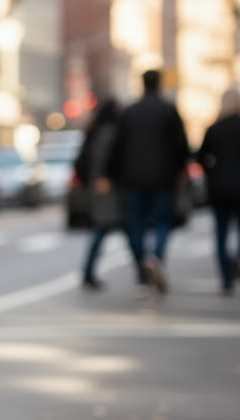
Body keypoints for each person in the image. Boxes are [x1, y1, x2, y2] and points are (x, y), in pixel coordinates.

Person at [99, 69, 190, 293]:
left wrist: (109, 174)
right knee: (163, 223)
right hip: (163, 177)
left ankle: (142, 270)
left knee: (137, 224)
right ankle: (155, 259)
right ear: (159, 84)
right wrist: (181, 169)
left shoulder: (130, 113)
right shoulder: (168, 110)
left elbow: (116, 147)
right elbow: (181, 145)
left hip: (134, 178)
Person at [74, 98, 121, 289]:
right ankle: (143, 275)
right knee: (117, 230)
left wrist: (89, 183)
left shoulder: (93, 132)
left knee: (100, 231)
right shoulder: (112, 133)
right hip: (112, 192)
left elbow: (80, 164)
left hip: (97, 191)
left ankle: (88, 272)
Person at [197, 86, 240, 294]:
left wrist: (212, 173)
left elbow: (200, 157)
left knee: (221, 234)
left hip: (219, 187)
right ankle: (236, 263)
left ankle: (226, 278)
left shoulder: (214, 128)